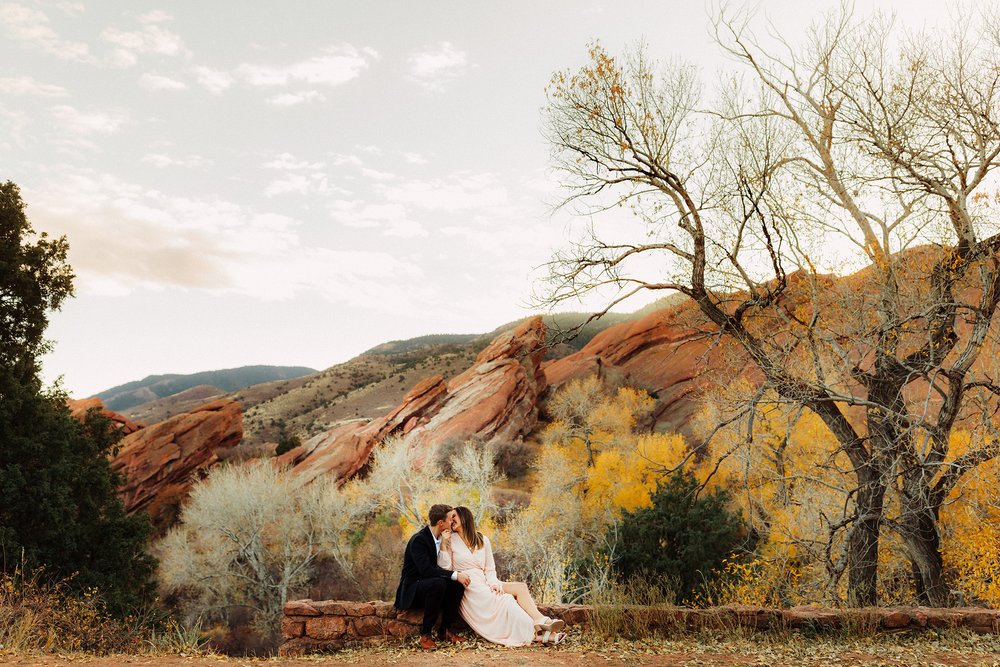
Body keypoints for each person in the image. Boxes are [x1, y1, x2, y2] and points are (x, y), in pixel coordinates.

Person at [438, 506, 567, 647]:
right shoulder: (450, 540)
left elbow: (490, 568)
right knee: (507, 601)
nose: (450, 520)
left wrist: (494, 583)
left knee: (521, 587)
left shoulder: (482, 539)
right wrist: (443, 545)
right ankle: (540, 633)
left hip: (485, 581)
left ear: (464, 517)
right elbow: (446, 568)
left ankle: (542, 621)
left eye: (454, 516)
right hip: (469, 586)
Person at [394, 503, 472, 650]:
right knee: (439, 583)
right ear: (441, 523)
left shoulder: (443, 539)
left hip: (431, 586)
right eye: (450, 519)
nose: (452, 521)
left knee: (456, 585)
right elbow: (427, 571)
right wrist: (455, 574)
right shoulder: (419, 540)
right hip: (413, 589)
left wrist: (457, 577)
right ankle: (426, 634)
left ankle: (445, 630)